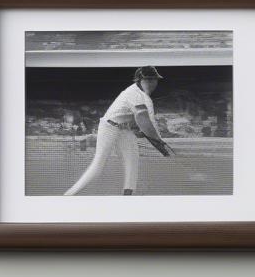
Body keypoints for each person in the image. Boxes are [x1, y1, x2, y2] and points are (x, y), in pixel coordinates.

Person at [63, 66, 175, 196]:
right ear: (138, 80)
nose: (152, 83)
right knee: (98, 166)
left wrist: (161, 143)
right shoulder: (133, 93)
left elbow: (150, 127)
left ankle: (127, 198)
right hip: (109, 127)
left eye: (154, 79)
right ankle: (69, 195)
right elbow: (145, 124)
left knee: (132, 164)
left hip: (124, 129)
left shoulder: (147, 100)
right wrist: (161, 147)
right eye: (148, 79)